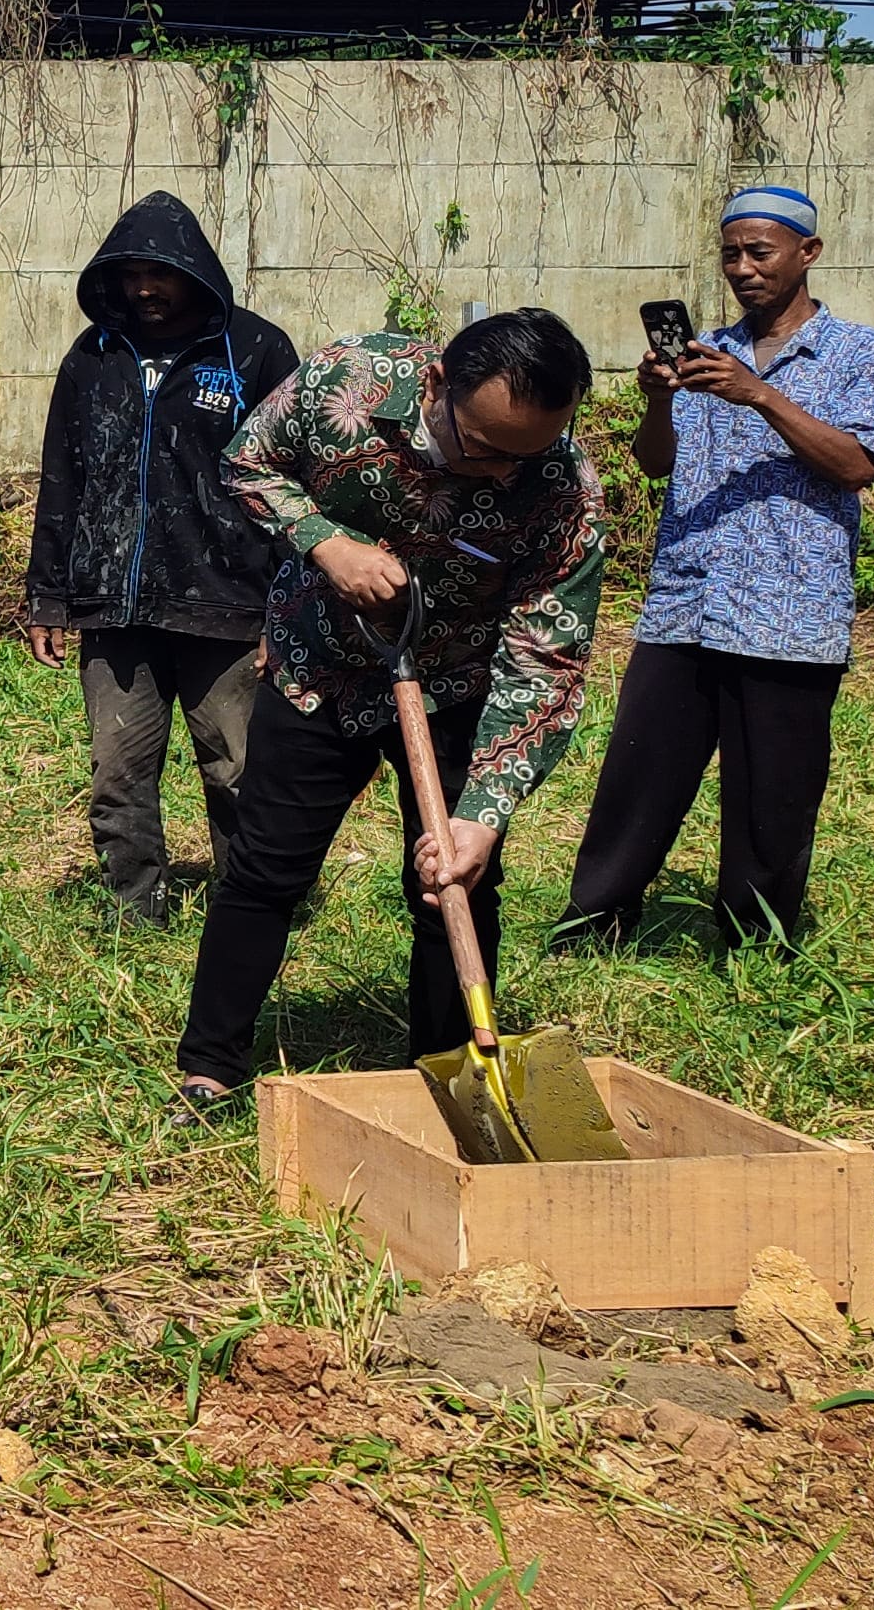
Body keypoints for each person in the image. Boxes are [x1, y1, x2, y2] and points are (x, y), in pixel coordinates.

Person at [171, 309, 603, 1124]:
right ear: (437, 385)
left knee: (454, 885)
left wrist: (482, 815)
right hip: (318, 668)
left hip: (452, 684)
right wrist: (325, 542)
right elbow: (246, 462)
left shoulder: (560, 488)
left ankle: (451, 1080)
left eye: (526, 455)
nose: (503, 472)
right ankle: (211, 1066)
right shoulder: (349, 380)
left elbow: (547, 656)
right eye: (485, 447)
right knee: (265, 869)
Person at [558, 188, 874, 954]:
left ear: (807, 253)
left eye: (759, 252)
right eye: (730, 254)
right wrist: (657, 402)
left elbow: (857, 464)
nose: (742, 268)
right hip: (686, 601)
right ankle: (592, 926)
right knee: (638, 778)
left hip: (790, 612)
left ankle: (756, 943)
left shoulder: (860, 353)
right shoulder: (706, 350)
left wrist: (759, 395)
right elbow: (656, 464)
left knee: (772, 796)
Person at [24, 193, 302, 923]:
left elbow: (295, 484)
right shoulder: (93, 356)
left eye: (160, 273)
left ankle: (248, 911)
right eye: (131, 275)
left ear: (194, 271)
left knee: (237, 768)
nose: (144, 288)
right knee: (118, 772)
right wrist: (48, 596)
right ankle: (133, 911)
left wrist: (288, 608)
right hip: (115, 606)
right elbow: (62, 476)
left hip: (228, 603)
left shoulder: (257, 351)